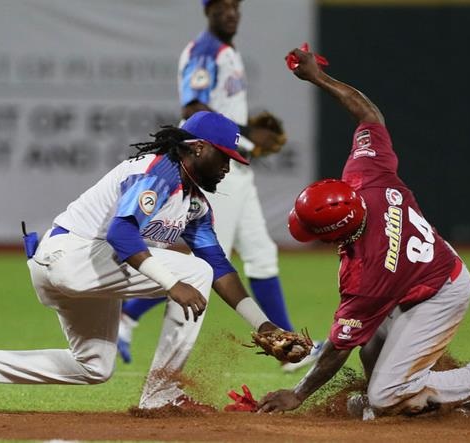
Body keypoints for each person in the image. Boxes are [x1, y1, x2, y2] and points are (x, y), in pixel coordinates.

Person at [0, 111, 282, 414]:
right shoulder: (159, 172)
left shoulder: (193, 202)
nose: (227, 168)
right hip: (70, 256)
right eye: (224, 158)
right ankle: (162, 393)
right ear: (197, 148)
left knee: (94, 366)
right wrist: (172, 284)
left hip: (83, 272)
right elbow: (121, 233)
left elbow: (220, 266)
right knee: (194, 271)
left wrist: (262, 324)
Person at [257, 48, 470, 420]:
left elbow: (338, 348)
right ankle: (415, 401)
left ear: (335, 233)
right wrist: (319, 78)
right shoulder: (367, 175)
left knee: (384, 395)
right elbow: (370, 114)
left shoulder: (365, 274)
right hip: (418, 270)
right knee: (372, 351)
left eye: (314, 232)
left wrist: (297, 394)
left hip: (439, 292)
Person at [117, 0, 323, 373]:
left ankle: (287, 344)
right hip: (218, 166)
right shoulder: (204, 51)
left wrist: (244, 137)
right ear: (207, 10)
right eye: (222, 6)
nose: (231, 12)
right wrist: (245, 136)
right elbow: (191, 110)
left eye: (235, 6)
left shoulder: (228, 51)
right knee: (207, 265)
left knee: (261, 254)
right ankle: (129, 317)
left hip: (236, 168)